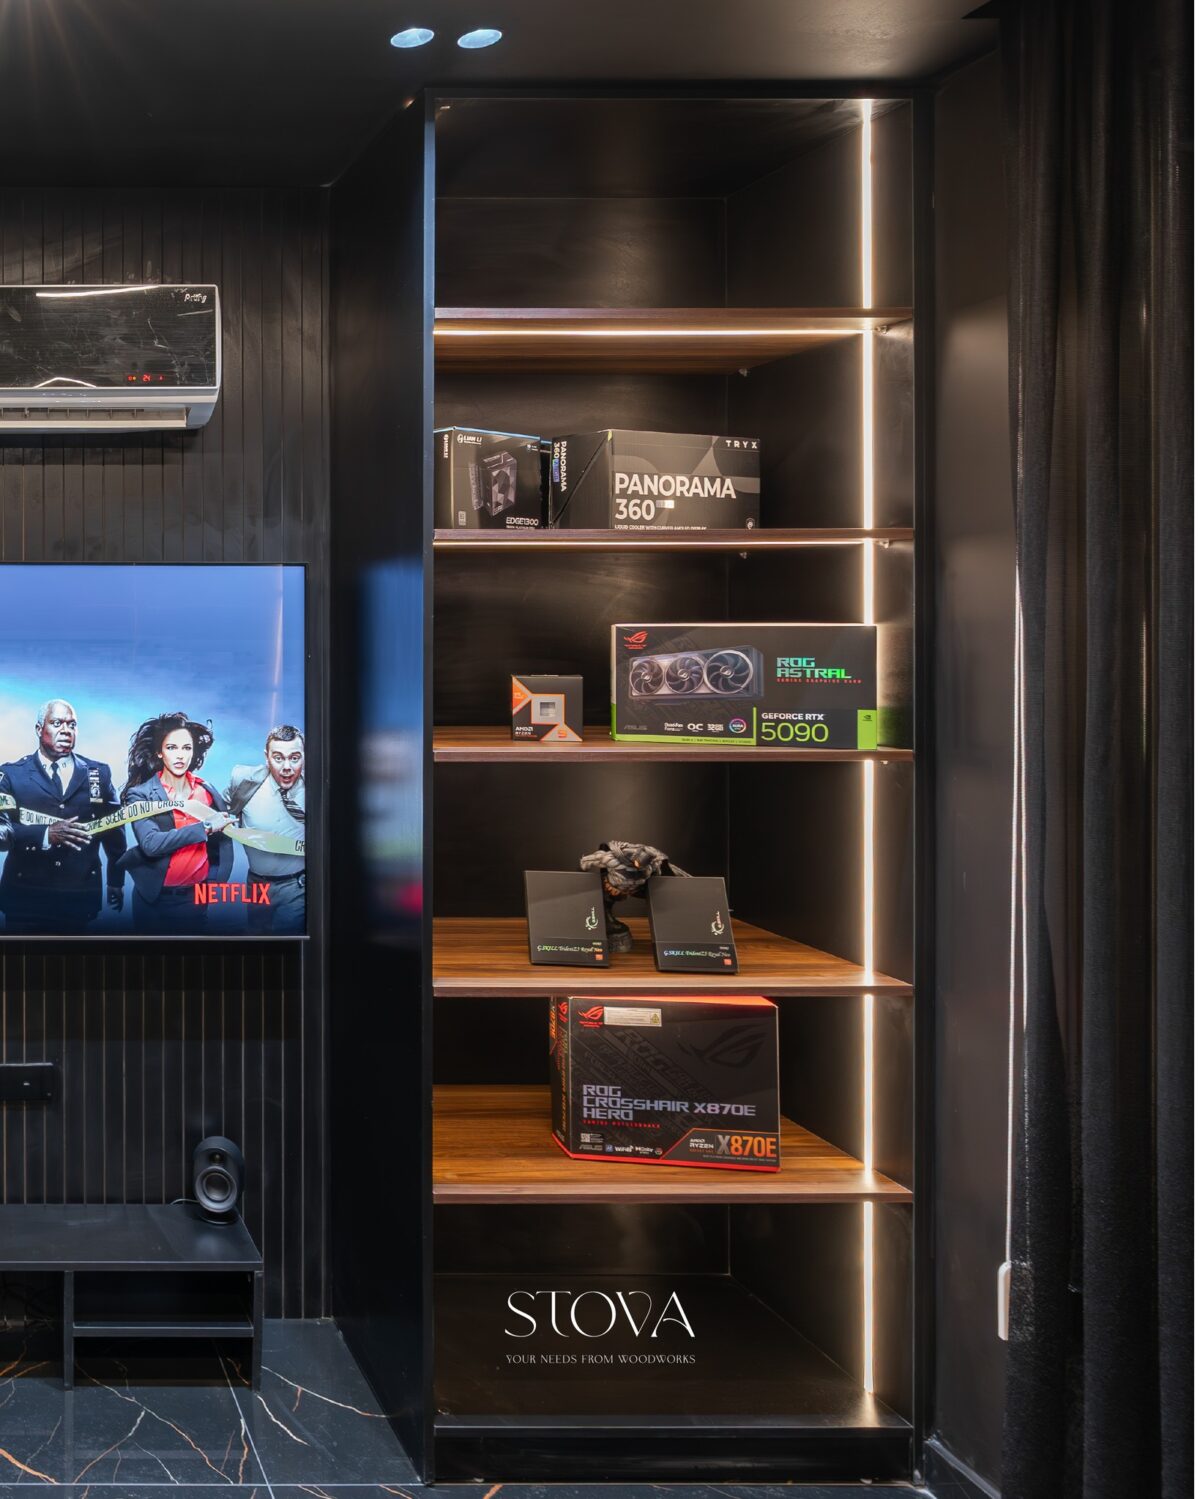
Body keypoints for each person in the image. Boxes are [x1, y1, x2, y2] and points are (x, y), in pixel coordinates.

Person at [0, 698, 127, 934]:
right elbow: (1, 832)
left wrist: (116, 880)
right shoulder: (10, 775)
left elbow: (114, 830)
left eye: (72, 724)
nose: (66, 731)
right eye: (57, 723)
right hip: (25, 898)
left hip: (79, 897)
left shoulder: (98, 773)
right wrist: (45, 834)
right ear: (39, 729)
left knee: (76, 958)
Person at [118, 712, 234, 935]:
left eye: (186, 748)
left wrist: (214, 881)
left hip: (194, 899)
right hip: (152, 901)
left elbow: (221, 841)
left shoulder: (206, 790)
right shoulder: (140, 794)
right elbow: (151, 844)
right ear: (159, 752)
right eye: (172, 748)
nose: (180, 755)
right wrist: (206, 827)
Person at [225, 725, 306, 935]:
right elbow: (217, 810)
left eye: (295, 758)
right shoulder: (244, 782)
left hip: (297, 886)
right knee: (257, 940)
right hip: (256, 885)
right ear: (267, 757)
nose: (287, 767)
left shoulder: (316, 787)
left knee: (288, 943)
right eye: (278, 758)